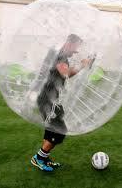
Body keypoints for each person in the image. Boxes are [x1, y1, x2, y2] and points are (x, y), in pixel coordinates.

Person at [31, 34, 93, 172]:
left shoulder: (57, 53)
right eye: (76, 47)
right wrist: (82, 65)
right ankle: (39, 158)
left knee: (53, 128)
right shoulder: (60, 55)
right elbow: (65, 73)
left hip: (51, 99)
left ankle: (44, 158)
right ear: (69, 43)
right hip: (46, 99)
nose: (75, 51)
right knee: (59, 130)